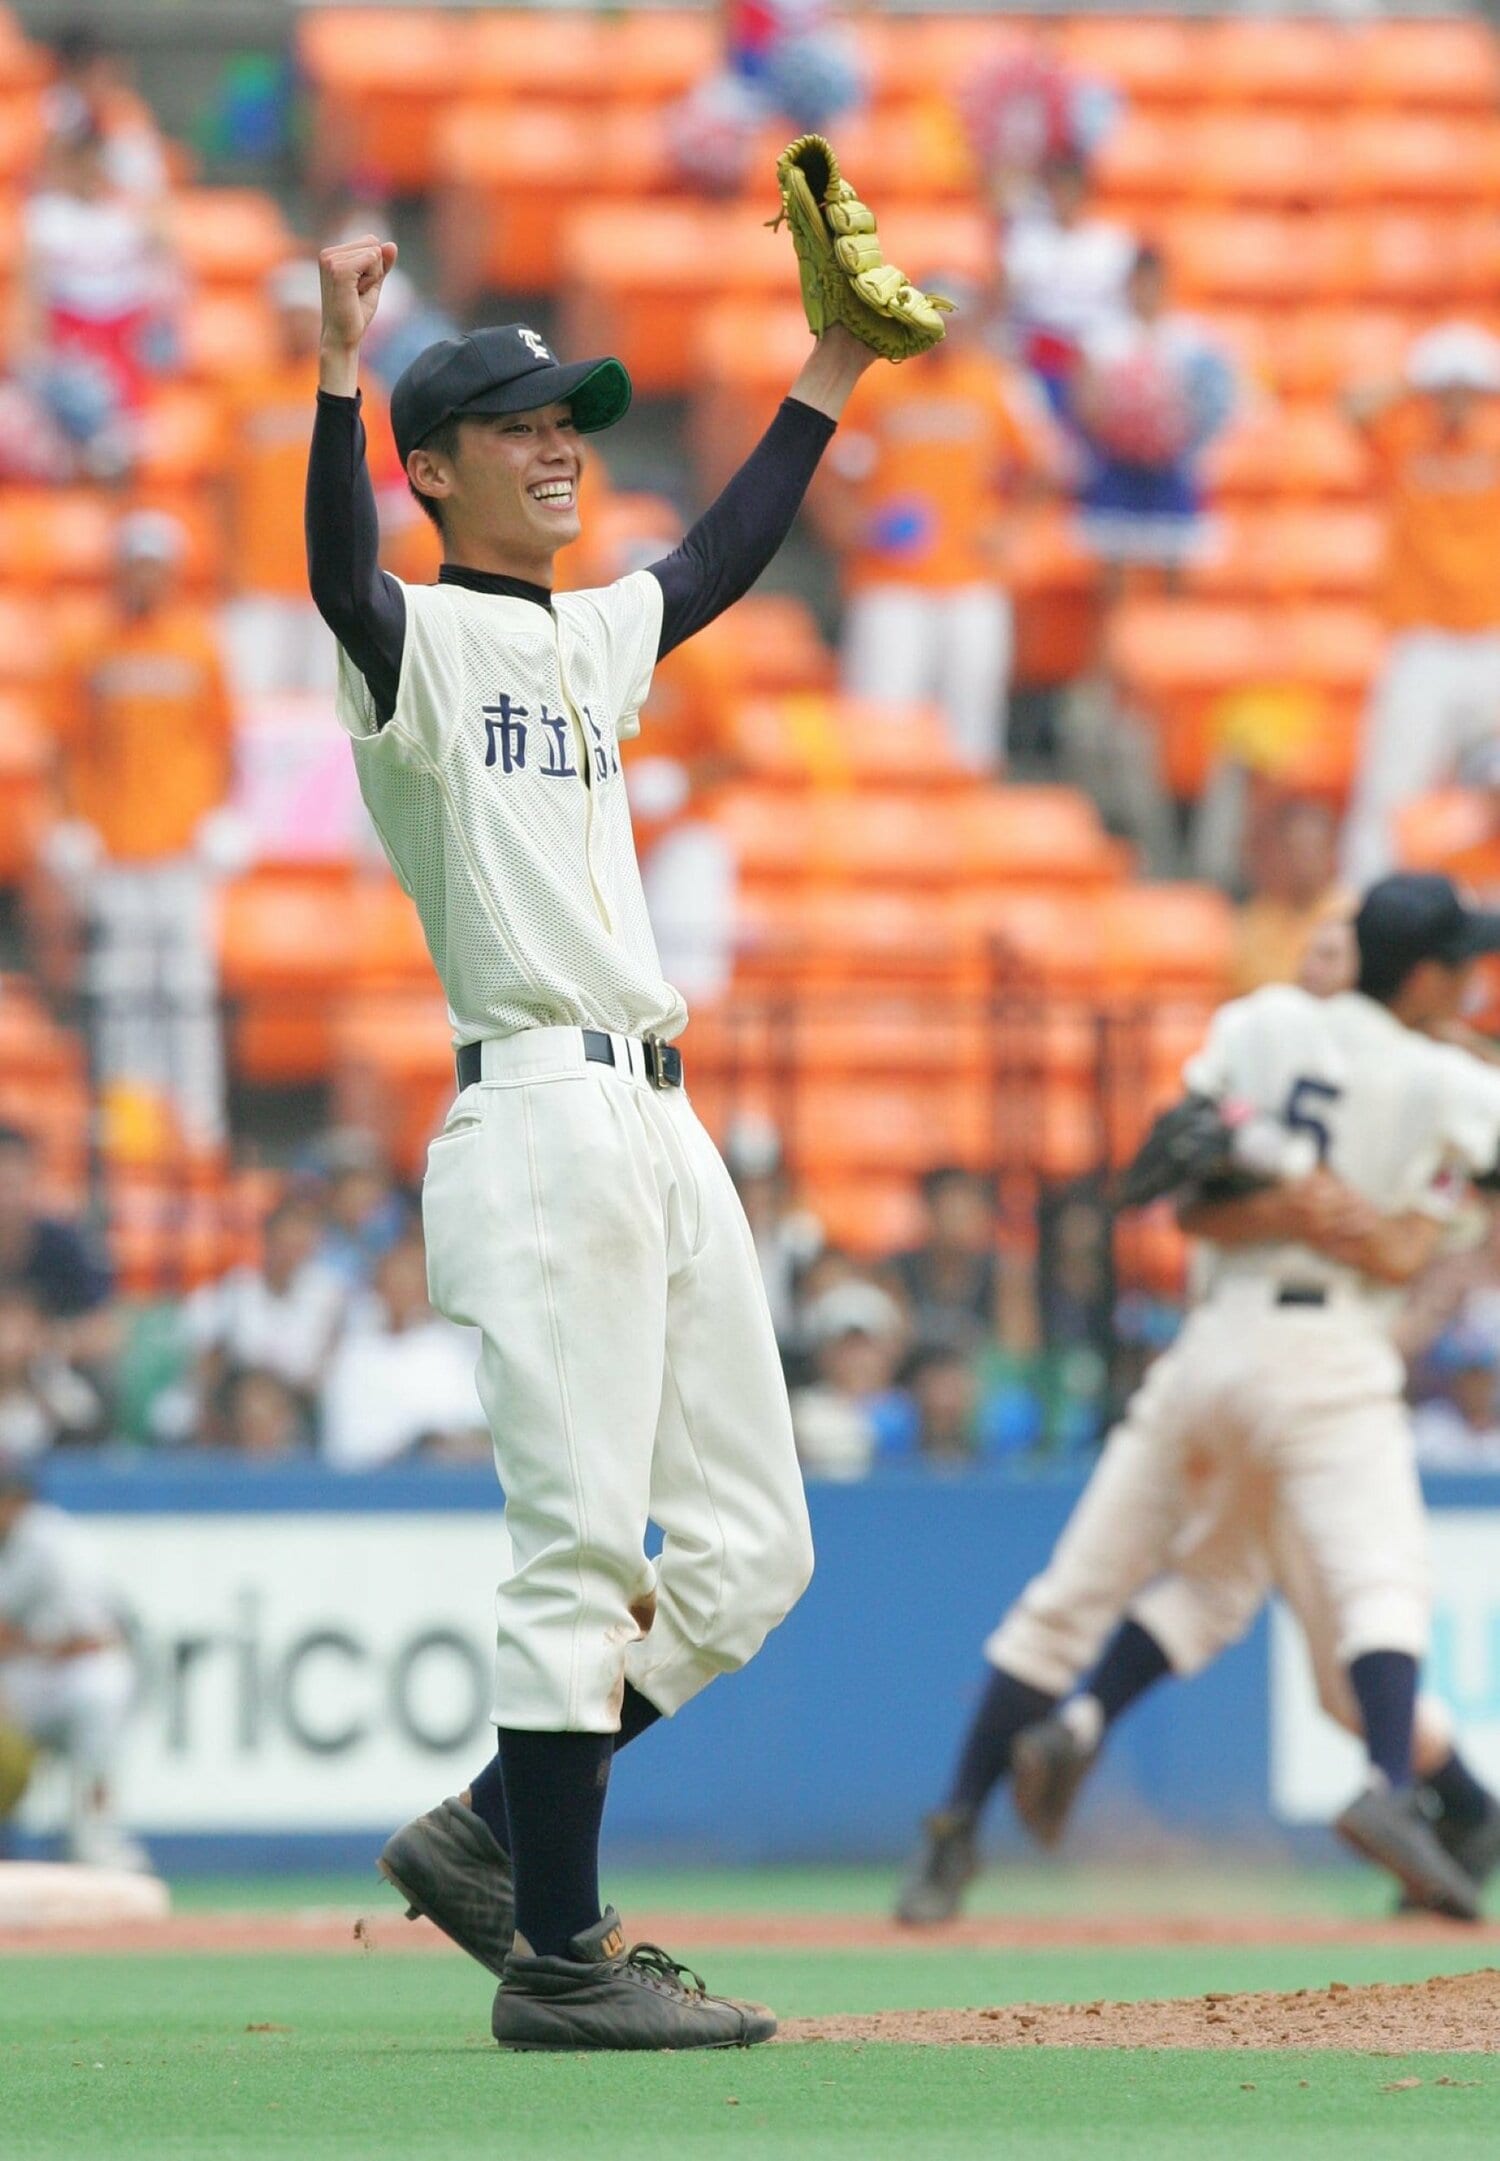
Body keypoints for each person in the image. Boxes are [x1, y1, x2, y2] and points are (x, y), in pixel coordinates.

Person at [307, 231, 888, 2049]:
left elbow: (712, 559)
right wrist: (339, 359)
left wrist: (833, 369)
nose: (561, 442)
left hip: (659, 1111)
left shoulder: (584, 631)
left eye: (573, 419)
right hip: (541, 1110)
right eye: (520, 422)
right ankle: (559, 1955)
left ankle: (494, 1827)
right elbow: (335, 576)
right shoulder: (410, 634)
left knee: (747, 1556)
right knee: (581, 1554)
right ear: (435, 463)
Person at [895, 873, 1500, 1924]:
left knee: (1103, 1593)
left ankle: (957, 1823)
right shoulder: (1447, 1077)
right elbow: (1417, 1227)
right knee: (1381, 1586)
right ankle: (1398, 1790)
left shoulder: (1257, 1022)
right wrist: (1358, 1211)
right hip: (1328, 1358)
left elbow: (1175, 1173)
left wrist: (1285, 1192)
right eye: (1463, 963)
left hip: (1210, 1349)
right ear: (1428, 971)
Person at [46, 510, 235, 1150]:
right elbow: (64, 746)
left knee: (188, 990)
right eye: (136, 565)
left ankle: (201, 1127)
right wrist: (70, 827)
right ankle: (128, 1126)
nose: (145, 579)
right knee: (123, 991)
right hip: (115, 849)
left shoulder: (199, 644)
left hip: (183, 851)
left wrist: (223, 817)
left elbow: (224, 741)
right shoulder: (87, 646)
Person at [823, 282, 1052, 770]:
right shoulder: (877, 385)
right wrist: (857, 528)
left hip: (973, 580)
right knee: (880, 724)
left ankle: (971, 838)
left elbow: (1046, 466)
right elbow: (834, 473)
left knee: (972, 732)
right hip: (891, 583)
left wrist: (1008, 529)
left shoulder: (997, 384)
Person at [1343, 324, 1500, 885]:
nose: (1456, 401)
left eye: (1468, 389)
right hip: (1423, 641)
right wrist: (1416, 379)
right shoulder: (1406, 436)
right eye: (1447, 388)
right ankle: (1365, 915)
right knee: (1389, 789)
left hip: (1491, 639)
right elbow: (1352, 407)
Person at [223, 258, 406, 698]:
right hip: (261, 580)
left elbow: (383, 491)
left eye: (305, 315)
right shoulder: (244, 389)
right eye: (288, 315)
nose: (296, 326)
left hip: (338, 582)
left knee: (333, 711)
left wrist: (375, 575)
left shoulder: (360, 387)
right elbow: (223, 487)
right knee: (256, 706)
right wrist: (230, 564)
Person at [0, 1460, 147, 1872]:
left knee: (101, 1689)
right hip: (23, 1673)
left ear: (17, 1503)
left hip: (67, 1675)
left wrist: (23, 1644)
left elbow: (86, 1640)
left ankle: (95, 1838)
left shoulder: (53, 1543)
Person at [16, 103, 175, 478]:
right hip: (70, 341)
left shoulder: (127, 215)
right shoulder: (46, 215)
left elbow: (165, 255)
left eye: (92, 156)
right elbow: (32, 294)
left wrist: (135, 173)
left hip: (124, 341)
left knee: (126, 437)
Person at [1070, 242, 1235, 581]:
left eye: (1153, 282)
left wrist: (1182, 433)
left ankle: (1174, 632)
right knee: (1111, 560)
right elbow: (1085, 403)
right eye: (1139, 282)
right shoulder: (1103, 339)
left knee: (1176, 558)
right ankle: (1112, 632)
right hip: (1117, 463)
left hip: (1171, 464)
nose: (1146, 291)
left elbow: (1219, 402)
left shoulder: (1194, 340)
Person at [319, 1230, 487, 1470]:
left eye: (409, 1285)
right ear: (377, 1289)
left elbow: (474, 1434)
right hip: (367, 1487)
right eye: (392, 1284)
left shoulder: (449, 1352)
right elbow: (344, 1442)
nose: (400, 1294)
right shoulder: (353, 1354)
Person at [185, 1194, 346, 1433]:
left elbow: (325, 1366)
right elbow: (206, 1354)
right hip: (240, 1397)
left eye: (299, 1246)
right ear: (268, 1241)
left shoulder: (329, 1296)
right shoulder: (237, 1290)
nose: (290, 1255)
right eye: (284, 1244)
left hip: (301, 1401)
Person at [0, 1125, 116, 1375]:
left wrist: (44, 1342)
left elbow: (105, 1330)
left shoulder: (62, 1244)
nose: (5, 1198)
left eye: (12, 1184)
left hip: (47, 1376)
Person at [1232, 797, 1344, 996]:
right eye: (1296, 849)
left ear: (1332, 853)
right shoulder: (1255, 918)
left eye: (1313, 849)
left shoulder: (1352, 915)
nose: (1304, 862)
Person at [0, 1287, 102, 1458]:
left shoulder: (53, 1378)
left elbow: (85, 1417)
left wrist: (44, 1386)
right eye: (5, 1330)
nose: (12, 1341)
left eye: (22, 1330)